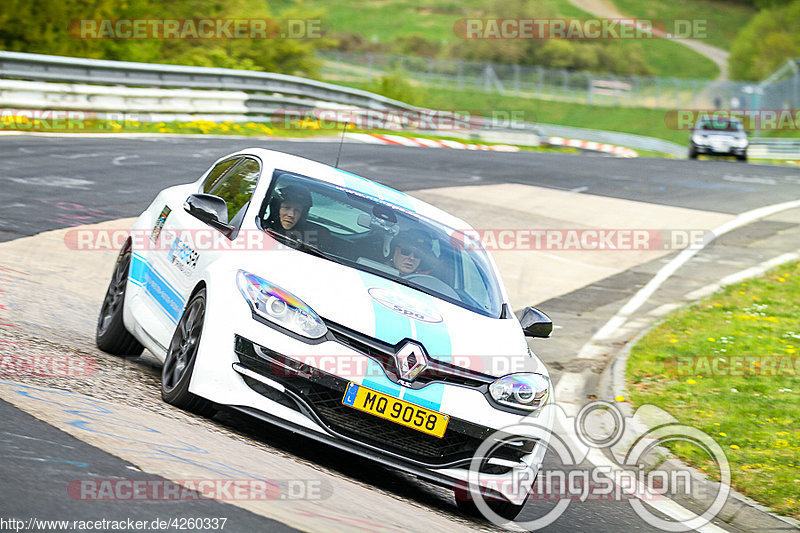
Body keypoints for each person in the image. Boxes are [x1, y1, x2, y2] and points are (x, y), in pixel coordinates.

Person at [265, 184, 330, 248]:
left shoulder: (314, 237)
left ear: (302, 215)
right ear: (276, 209)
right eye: (286, 208)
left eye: (297, 210)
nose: (291, 215)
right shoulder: (261, 228)